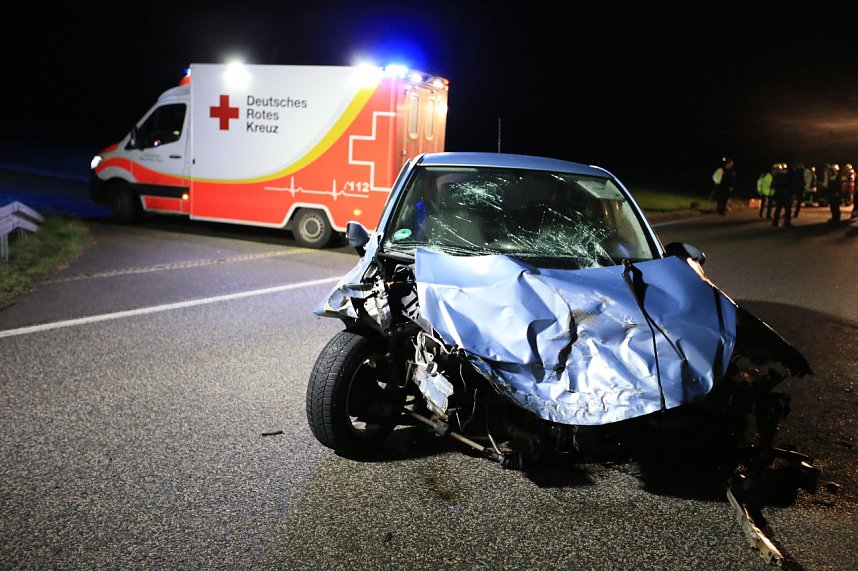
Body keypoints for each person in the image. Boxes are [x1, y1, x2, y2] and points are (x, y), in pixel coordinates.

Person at [771, 162, 793, 228]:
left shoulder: (775, 176)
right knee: (788, 209)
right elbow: (789, 184)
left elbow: (773, 185)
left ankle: (775, 222)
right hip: (785, 193)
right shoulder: (786, 175)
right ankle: (787, 223)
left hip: (778, 194)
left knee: (778, 208)